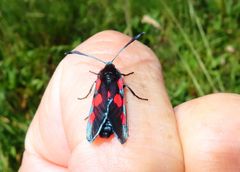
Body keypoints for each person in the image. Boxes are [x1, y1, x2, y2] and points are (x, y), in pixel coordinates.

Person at [19, 31, 240, 172]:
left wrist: (93, 102)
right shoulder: (119, 79)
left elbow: (95, 98)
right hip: (113, 119)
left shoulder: (100, 80)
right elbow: (116, 97)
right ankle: (115, 130)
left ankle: (104, 129)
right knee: (116, 101)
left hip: (99, 121)